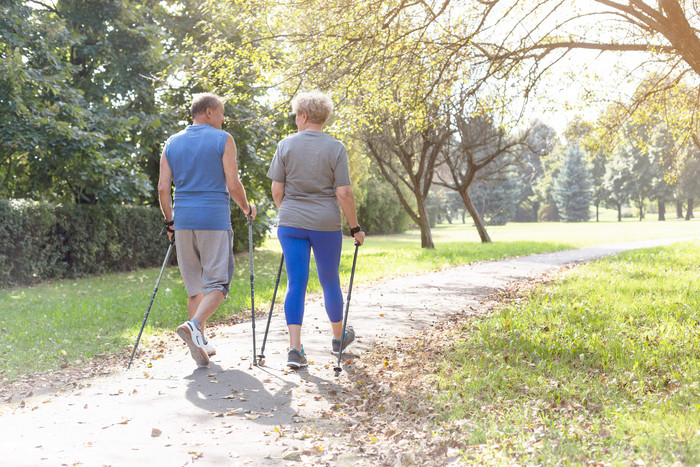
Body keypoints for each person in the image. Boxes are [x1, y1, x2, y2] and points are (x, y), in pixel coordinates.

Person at [267, 91, 366, 369]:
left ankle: (295, 349)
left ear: (304, 116)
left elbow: (277, 190)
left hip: (291, 223)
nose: (295, 119)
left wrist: (289, 213)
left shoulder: (285, 145)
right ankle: (338, 340)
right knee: (329, 281)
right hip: (326, 224)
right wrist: (355, 228)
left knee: (295, 283)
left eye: (296, 115)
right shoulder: (336, 148)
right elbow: (344, 193)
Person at [158, 92, 257, 367]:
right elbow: (233, 184)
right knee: (219, 284)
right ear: (210, 112)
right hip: (213, 219)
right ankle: (194, 325)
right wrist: (247, 208)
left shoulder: (171, 143)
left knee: (195, 287)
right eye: (222, 113)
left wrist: (170, 222)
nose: (224, 119)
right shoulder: (223, 139)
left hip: (184, 221)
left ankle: (200, 342)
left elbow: (163, 188)